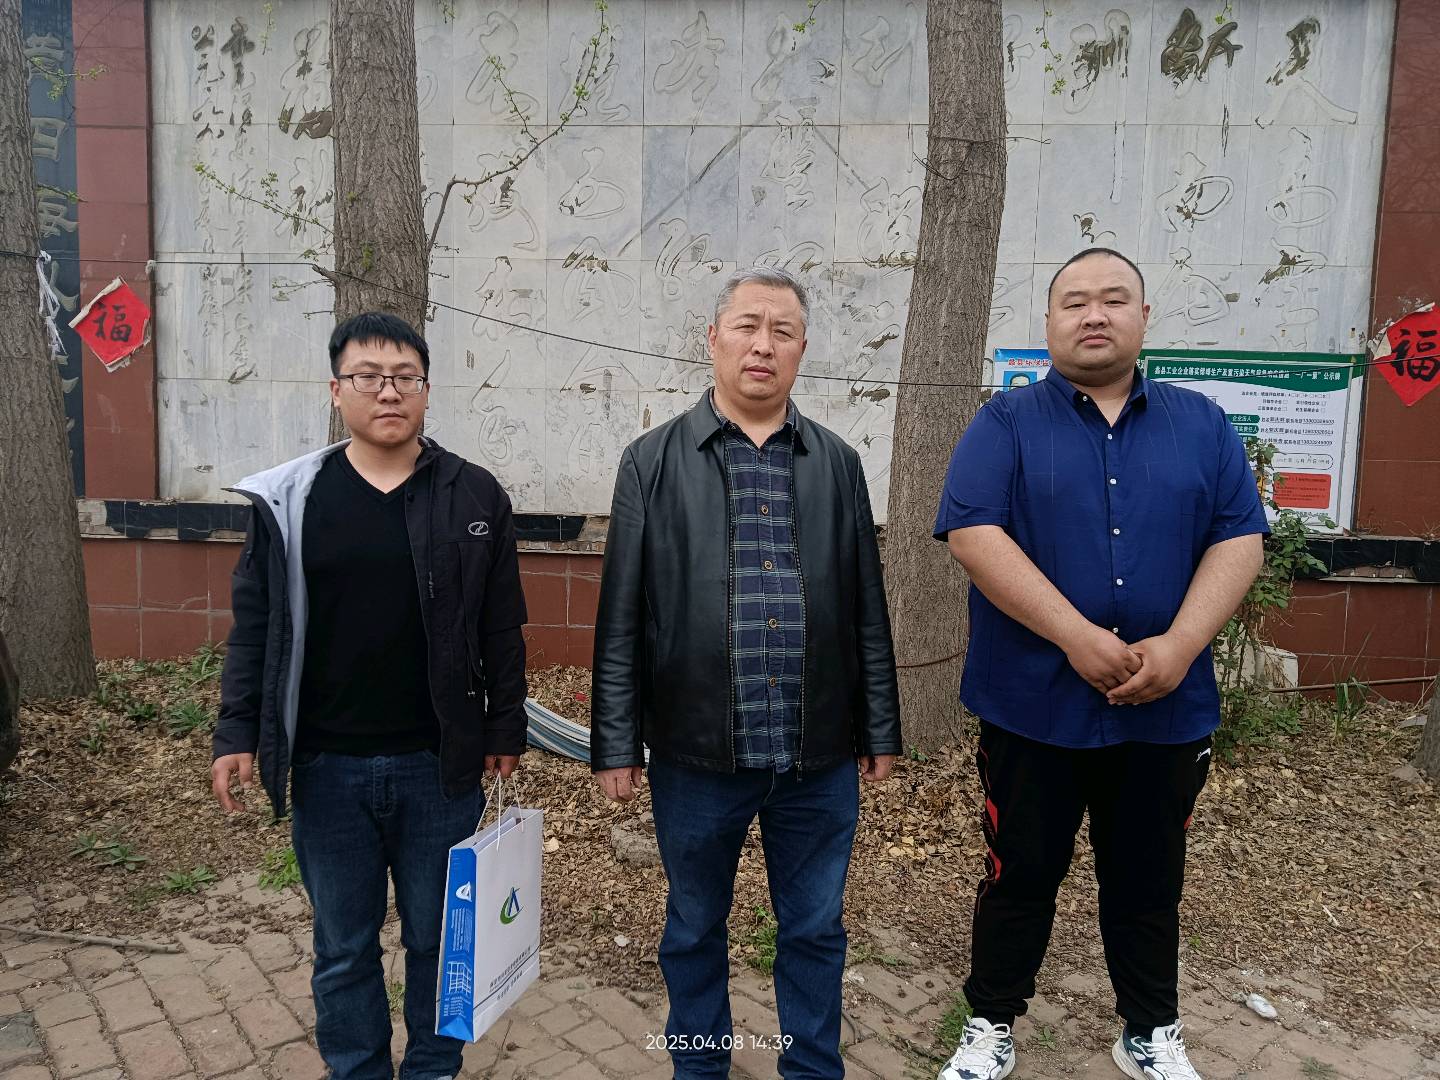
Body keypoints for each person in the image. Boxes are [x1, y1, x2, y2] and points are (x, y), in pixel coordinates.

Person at [933, 248, 1267, 1080]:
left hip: (1166, 707)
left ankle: (1148, 1030)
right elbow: (974, 534)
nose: (1094, 314)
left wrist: (1181, 645)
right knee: (1018, 873)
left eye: (1113, 299)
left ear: (1143, 318)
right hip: (1033, 705)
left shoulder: (1202, 424)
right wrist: (1075, 635)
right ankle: (991, 1021)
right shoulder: (1005, 424)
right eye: (1074, 301)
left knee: (1149, 881)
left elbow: (1239, 540)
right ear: (1049, 323)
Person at [590, 266, 902, 1079]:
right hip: (696, 757)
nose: (764, 345)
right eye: (747, 327)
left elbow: (867, 607)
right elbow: (620, 615)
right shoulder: (651, 461)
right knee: (694, 928)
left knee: (815, 929)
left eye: (783, 331)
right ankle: (700, 1066)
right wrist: (615, 744)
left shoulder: (837, 463)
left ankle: (812, 1068)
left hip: (816, 757)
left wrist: (879, 727)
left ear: (802, 349)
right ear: (714, 339)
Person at [210, 311, 529, 1080]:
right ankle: (356, 1069)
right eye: (368, 377)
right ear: (337, 390)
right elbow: (256, 625)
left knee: (438, 941)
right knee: (344, 947)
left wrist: (505, 729)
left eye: (405, 378)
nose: (388, 392)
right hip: (327, 768)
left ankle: (431, 1068)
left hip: (438, 766)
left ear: (426, 389)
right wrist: (236, 732)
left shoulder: (473, 494)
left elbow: (502, 625)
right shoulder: (291, 499)